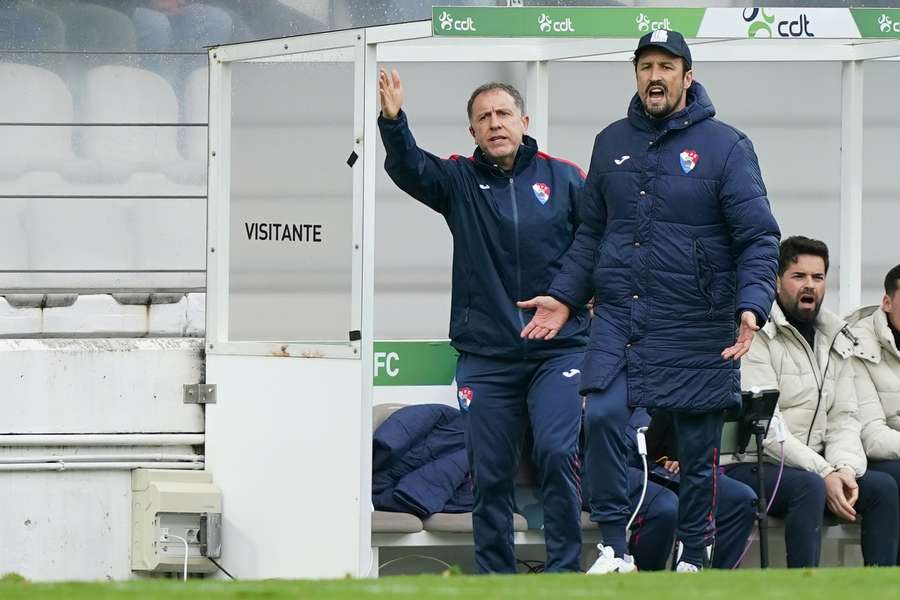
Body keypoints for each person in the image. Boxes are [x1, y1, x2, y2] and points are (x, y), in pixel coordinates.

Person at [518, 29, 781, 573]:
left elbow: (759, 236)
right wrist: (566, 297)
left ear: (687, 75)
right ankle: (615, 549)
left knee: (696, 445)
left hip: (697, 318)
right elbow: (592, 233)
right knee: (604, 416)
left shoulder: (727, 146)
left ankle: (695, 553)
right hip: (622, 315)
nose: (654, 77)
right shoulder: (610, 141)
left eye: (666, 66)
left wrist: (752, 304)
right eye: (645, 67)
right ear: (636, 75)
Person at [377, 69, 589, 573]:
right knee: (489, 474)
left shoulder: (566, 178)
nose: (495, 124)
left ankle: (564, 577)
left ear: (524, 122)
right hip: (487, 357)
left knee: (557, 453)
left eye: (503, 114)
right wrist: (393, 121)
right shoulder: (458, 181)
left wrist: (572, 299)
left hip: (559, 351)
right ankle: (496, 581)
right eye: (484, 118)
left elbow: (595, 249)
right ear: (472, 130)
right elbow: (409, 167)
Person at [729, 236, 899, 567]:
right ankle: (804, 586)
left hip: (818, 465)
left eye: (818, 277)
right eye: (799, 276)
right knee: (810, 487)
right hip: (754, 462)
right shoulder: (756, 334)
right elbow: (768, 429)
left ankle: (883, 586)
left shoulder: (835, 337)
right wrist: (825, 472)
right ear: (777, 282)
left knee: (882, 488)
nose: (810, 285)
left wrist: (844, 469)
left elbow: (845, 418)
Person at [847, 263, 900, 564]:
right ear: (887, 302)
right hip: (866, 458)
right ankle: (888, 580)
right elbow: (871, 437)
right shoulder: (859, 345)